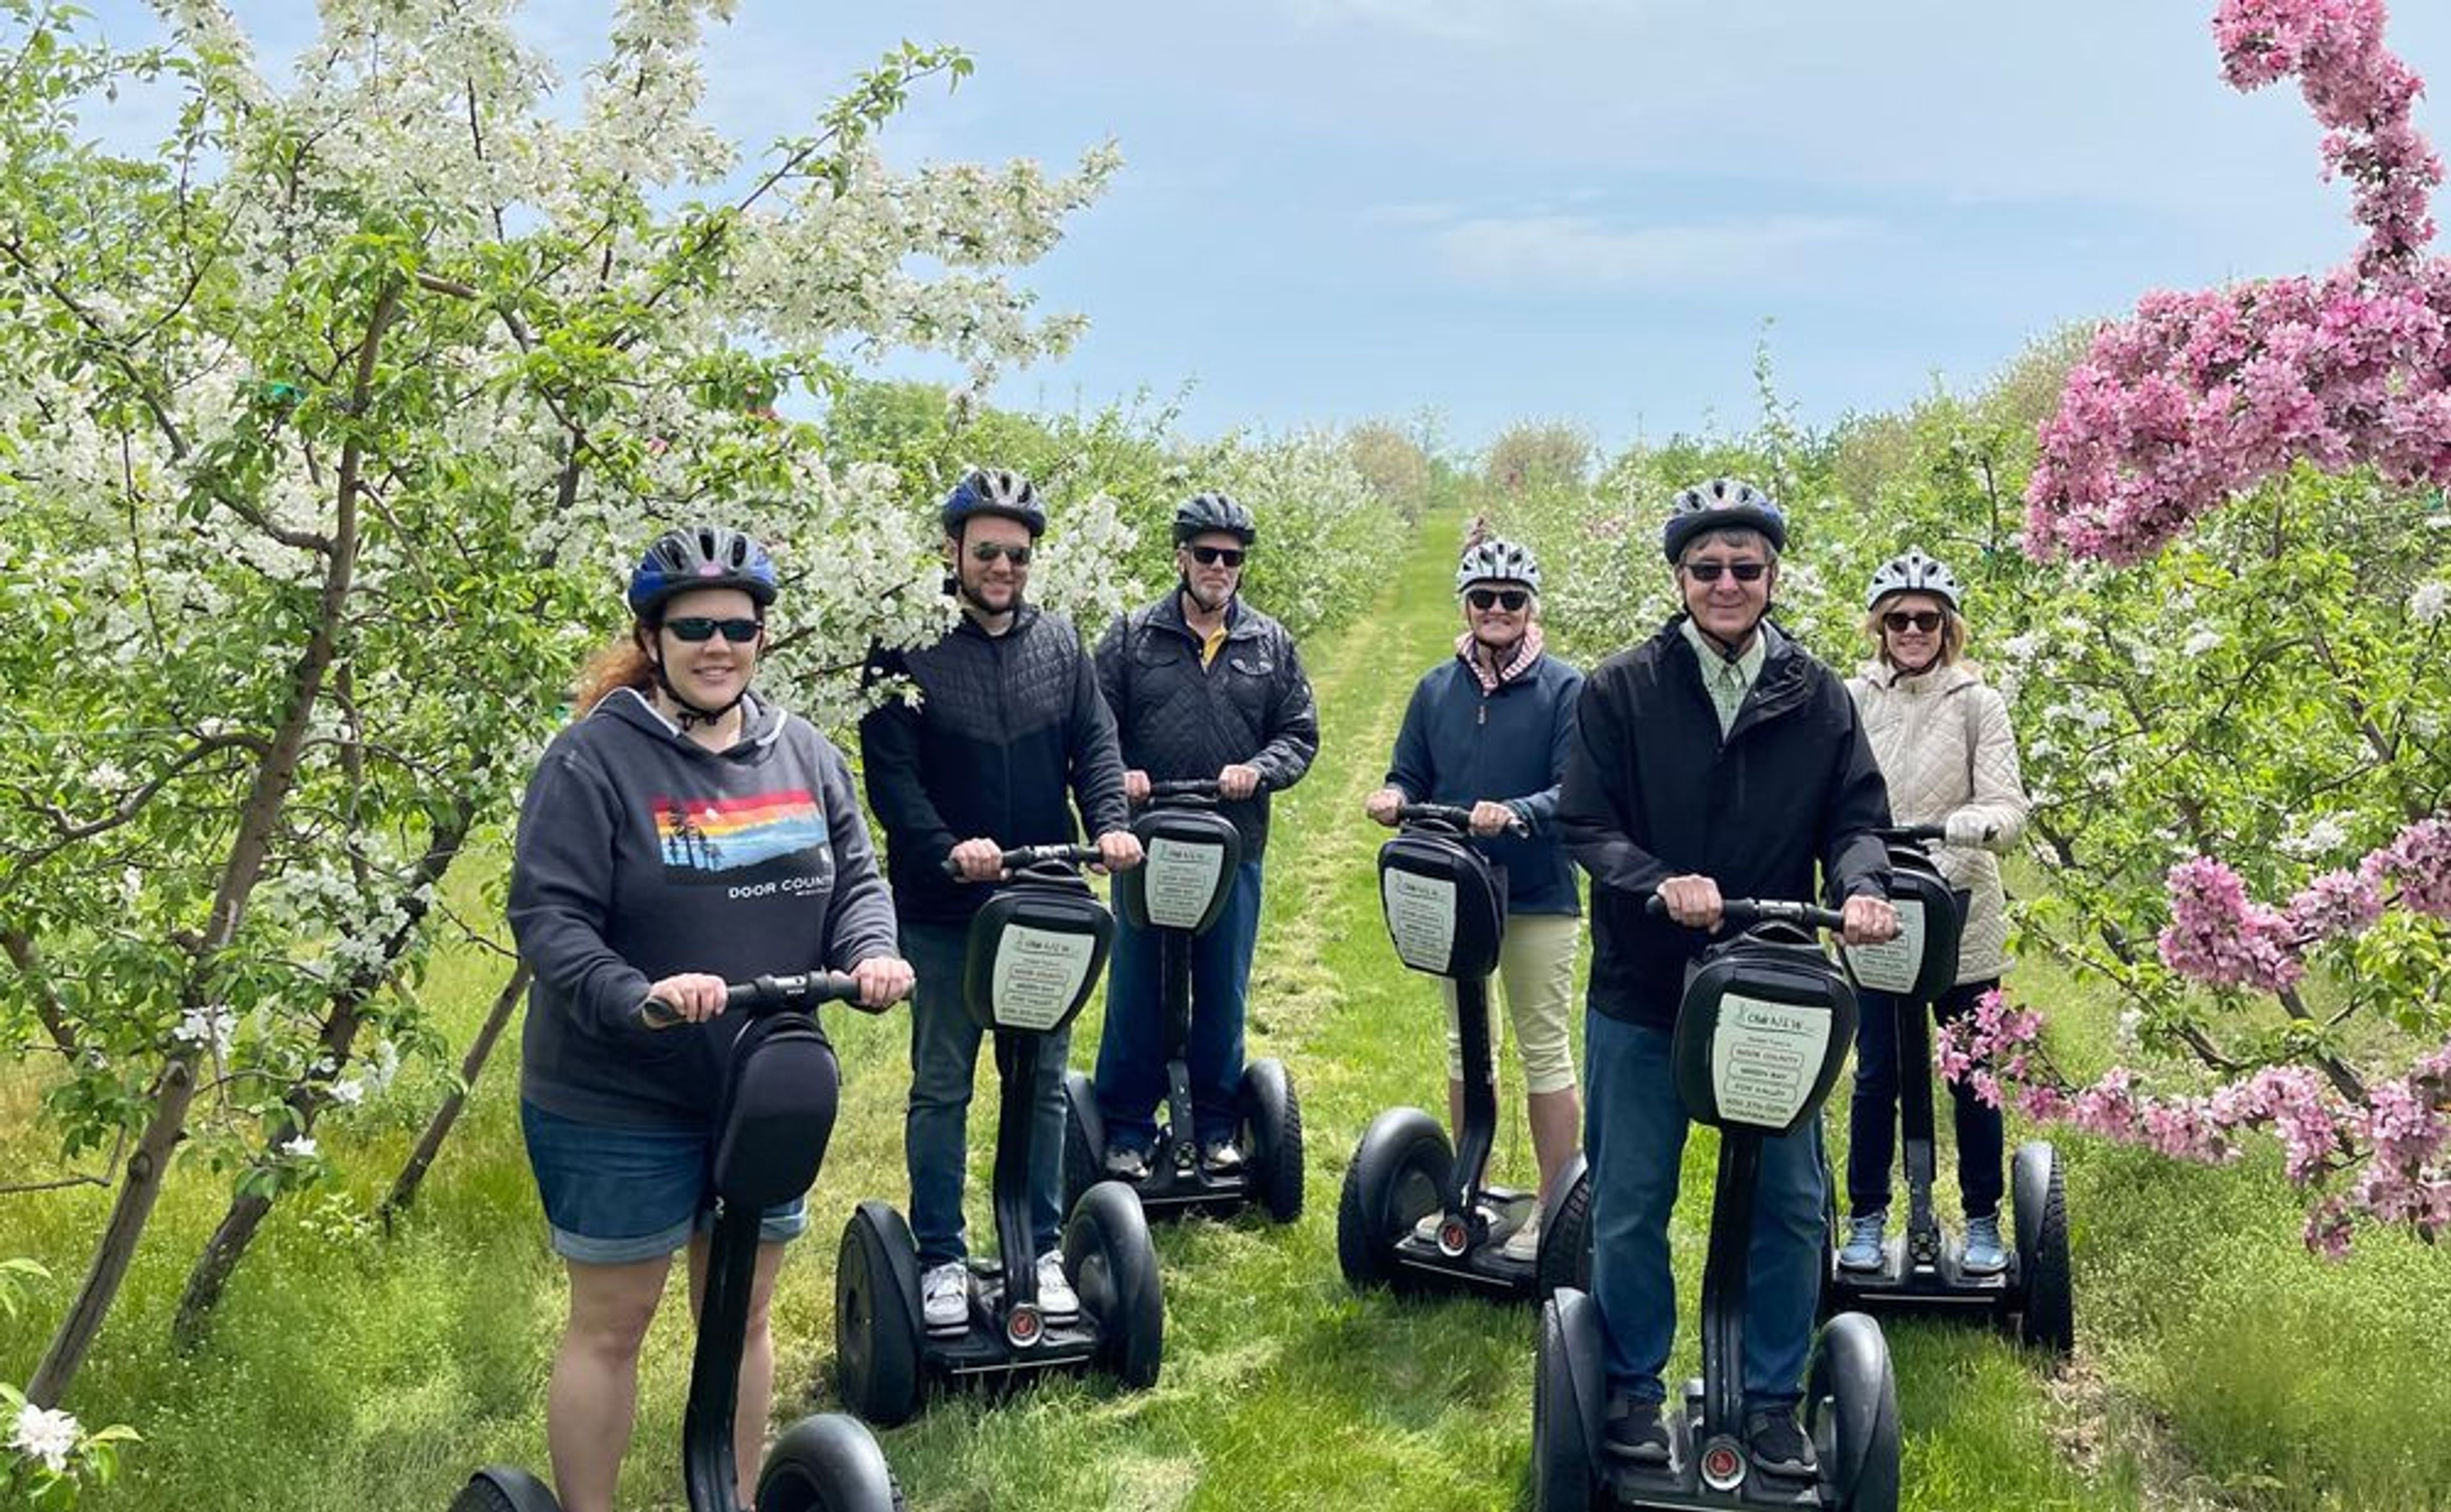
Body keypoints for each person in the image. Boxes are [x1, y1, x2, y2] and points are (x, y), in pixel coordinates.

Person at [508, 523, 913, 1512]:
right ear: (653, 638)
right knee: (616, 1320)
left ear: (763, 636)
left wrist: (869, 950)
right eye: (694, 626)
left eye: (738, 624)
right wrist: (633, 995)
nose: (717, 643)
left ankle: (725, 1498)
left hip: (763, 1084)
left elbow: (857, 877)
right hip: (617, 1094)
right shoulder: (594, 760)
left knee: (742, 1314)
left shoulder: (806, 753)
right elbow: (548, 919)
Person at [1558, 478, 1898, 1479]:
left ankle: (1771, 1398)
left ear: (1772, 577)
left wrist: (1864, 886)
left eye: (1745, 568)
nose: (1726, 583)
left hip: (1774, 988)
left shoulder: (1819, 693)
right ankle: (1626, 1388)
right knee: (1630, 1197)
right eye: (1706, 568)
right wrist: (1661, 884)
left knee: (1793, 1202)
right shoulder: (1622, 688)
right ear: (1679, 577)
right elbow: (1586, 823)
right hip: (1646, 988)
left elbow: (1857, 816)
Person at [860, 467, 1143, 1338]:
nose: (1002, 566)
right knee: (944, 1086)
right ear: (952, 550)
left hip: (1045, 899)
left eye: (1017, 553)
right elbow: (891, 776)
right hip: (949, 911)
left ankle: (1041, 1247)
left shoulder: (1059, 642)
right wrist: (948, 850)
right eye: (985, 550)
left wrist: (1111, 823)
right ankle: (942, 1255)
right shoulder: (905, 644)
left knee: (1044, 1082)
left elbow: (1095, 746)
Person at [1364, 535, 1584, 1262]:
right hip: (1457, 890)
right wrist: (1395, 796)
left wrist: (1516, 809)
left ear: (1531, 607)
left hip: (1537, 892)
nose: (1498, 610)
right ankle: (1471, 1187)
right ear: (1467, 603)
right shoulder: (1437, 688)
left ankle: (1556, 1210)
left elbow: (1572, 788)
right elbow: (1409, 770)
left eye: (1512, 600)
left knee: (1542, 1043)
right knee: (1468, 1042)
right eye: (1485, 598)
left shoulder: (1564, 688)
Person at [1091, 492, 1319, 1178]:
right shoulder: (1132, 636)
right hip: (1146, 845)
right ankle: (1128, 1126)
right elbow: (1095, 728)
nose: (1220, 566)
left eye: (1232, 557)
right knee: (1137, 986)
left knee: (1223, 988)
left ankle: (1219, 1125)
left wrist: (1258, 769)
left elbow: (1299, 733)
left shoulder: (1269, 643)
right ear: (1181, 557)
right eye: (1207, 554)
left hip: (1233, 846)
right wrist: (1121, 773)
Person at [1838, 550, 2031, 1275]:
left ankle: (1981, 1219)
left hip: (1961, 910)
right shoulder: (1854, 698)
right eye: (1899, 618)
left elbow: (2010, 804)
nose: (1912, 629)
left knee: (1971, 1069)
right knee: (1877, 1072)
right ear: (1880, 626)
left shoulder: (1978, 702)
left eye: (1926, 618)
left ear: (1947, 626)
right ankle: (1866, 1216)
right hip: (1879, 906)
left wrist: (1977, 824)